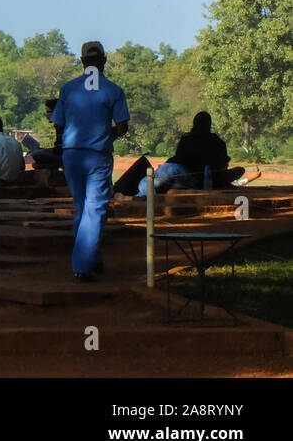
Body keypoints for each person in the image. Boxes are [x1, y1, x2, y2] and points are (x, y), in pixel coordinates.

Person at [51, 41, 129, 282]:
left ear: (82, 61)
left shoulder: (68, 89)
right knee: (95, 208)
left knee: (82, 207)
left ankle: (91, 257)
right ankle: (82, 266)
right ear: (104, 60)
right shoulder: (113, 90)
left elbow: (58, 123)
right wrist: (108, 134)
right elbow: (122, 126)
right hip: (97, 154)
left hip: (72, 153)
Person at [132, 111, 252, 196]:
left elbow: (178, 160)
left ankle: (140, 197)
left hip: (188, 176)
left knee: (159, 175)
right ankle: (141, 196)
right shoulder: (218, 141)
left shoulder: (189, 139)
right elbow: (223, 165)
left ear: (195, 124)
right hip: (198, 181)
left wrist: (165, 165)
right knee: (164, 180)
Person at [30, 99, 64, 171]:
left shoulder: (60, 125)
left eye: (48, 111)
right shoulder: (61, 123)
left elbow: (58, 150)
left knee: (36, 154)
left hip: (65, 158)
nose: (46, 114)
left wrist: (46, 150)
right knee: (37, 152)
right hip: (63, 155)